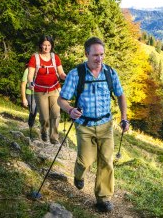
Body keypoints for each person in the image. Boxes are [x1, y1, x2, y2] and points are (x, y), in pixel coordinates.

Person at [57, 37, 129, 213]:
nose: (99, 59)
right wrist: (70, 110)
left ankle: (103, 198)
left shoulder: (110, 73)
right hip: (85, 126)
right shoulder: (76, 74)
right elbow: (61, 100)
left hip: (106, 125)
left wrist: (124, 117)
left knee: (106, 161)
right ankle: (78, 174)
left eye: (102, 54)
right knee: (86, 160)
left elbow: (120, 95)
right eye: (95, 55)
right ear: (86, 54)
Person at [27, 35, 66, 144]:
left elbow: (61, 73)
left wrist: (66, 77)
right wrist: (30, 83)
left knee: (56, 114)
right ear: (40, 45)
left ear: (51, 46)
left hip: (55, 89)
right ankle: (44, 130)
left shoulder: (55, 57)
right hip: (40, 91)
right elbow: (30, 75)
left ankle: (54, 138)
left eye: (49, 45)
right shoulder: (35, 58)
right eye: (44, 45)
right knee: (44, 117)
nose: (46, 47)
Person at [21, 63, 38, 133]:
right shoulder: (27, 70)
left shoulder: (41, 70)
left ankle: (31, 126)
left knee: (35, 111)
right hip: (30, 93)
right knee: (33, 110)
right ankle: (30, 126)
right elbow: (23, 85)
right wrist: (24, 99)